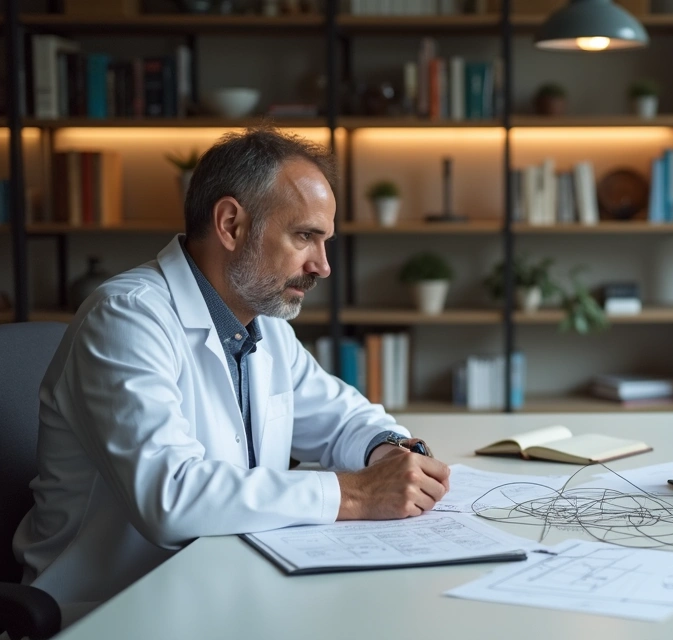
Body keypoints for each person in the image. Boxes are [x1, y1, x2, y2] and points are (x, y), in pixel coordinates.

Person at [12, 128, 451, 619]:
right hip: (110, 609)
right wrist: (356, 493)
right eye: (305, 236)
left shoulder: (260, 321)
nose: (323, 266)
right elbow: (171, 497)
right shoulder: (126, 318)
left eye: (325, 241)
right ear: (230, 224)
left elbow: (341, 417)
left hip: (224, 588)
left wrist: (389, 449)